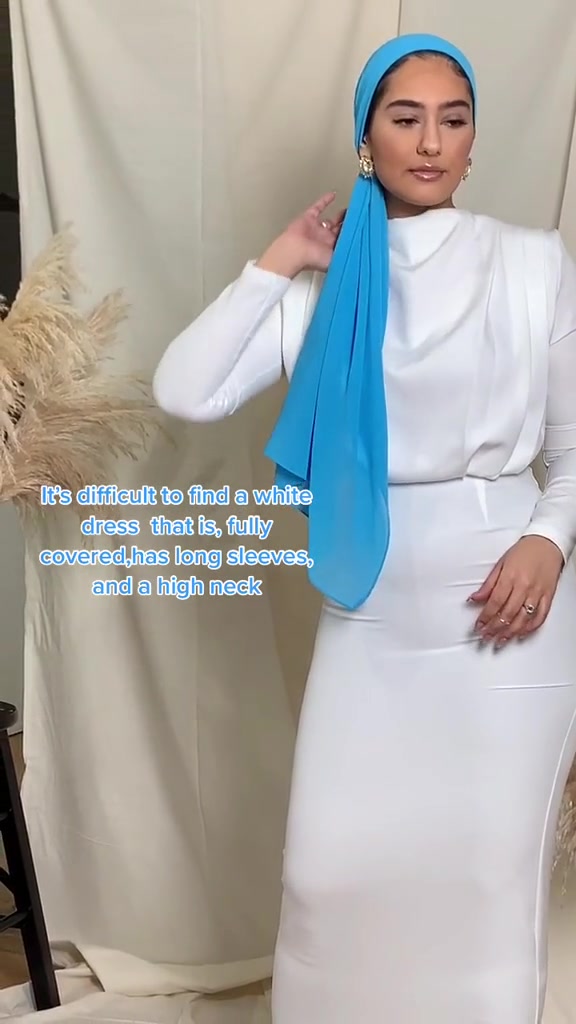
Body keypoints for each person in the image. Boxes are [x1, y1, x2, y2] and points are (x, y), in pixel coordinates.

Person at [153, 32, 576, 1024]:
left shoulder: (534, 264)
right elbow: (186, 389)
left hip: (507, 615)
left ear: (473, 142)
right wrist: (283, 259)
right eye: (405, 118)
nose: (430, 142)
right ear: (365, 139)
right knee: (328, 876)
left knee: (483, 884)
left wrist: (548, 541)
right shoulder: (327, 290)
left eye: (452, 120)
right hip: (369, 609)